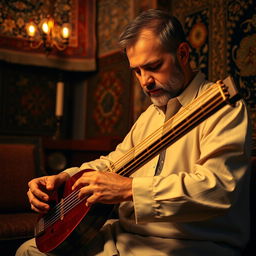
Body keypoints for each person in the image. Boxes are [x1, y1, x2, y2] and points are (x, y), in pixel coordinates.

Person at [16, 9, 251, 256]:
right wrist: (66, 178)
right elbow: (112, 163)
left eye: (153, 66)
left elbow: (220, 188)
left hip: (191, 244)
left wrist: (129, 189)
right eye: (137, 71)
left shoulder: (224, 107)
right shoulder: (149, 116)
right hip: (127, 236)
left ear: (182, 53)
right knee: (29, 250)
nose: (144, 81)